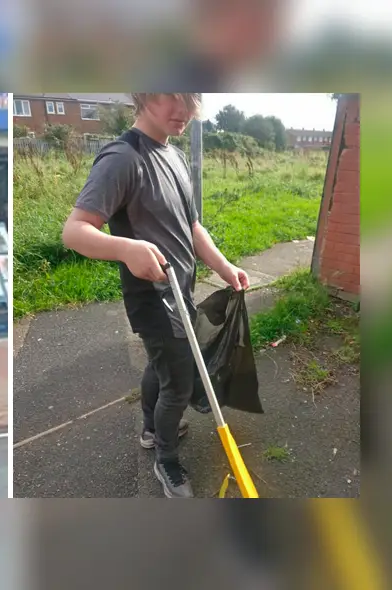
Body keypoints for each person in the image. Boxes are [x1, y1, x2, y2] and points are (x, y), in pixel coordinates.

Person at [61, 93, 250, 498]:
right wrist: (126, 248)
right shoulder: (123, 158)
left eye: (192, 98)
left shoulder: (176, 156)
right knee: (179, 385)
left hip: (181, 291)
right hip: (154, 300)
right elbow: (74, 231)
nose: (185, 109)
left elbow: (192, 225)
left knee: (163, 366)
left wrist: (224, 267)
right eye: (174, 97)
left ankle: (151, 428)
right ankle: (166, 461)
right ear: (144, 95)